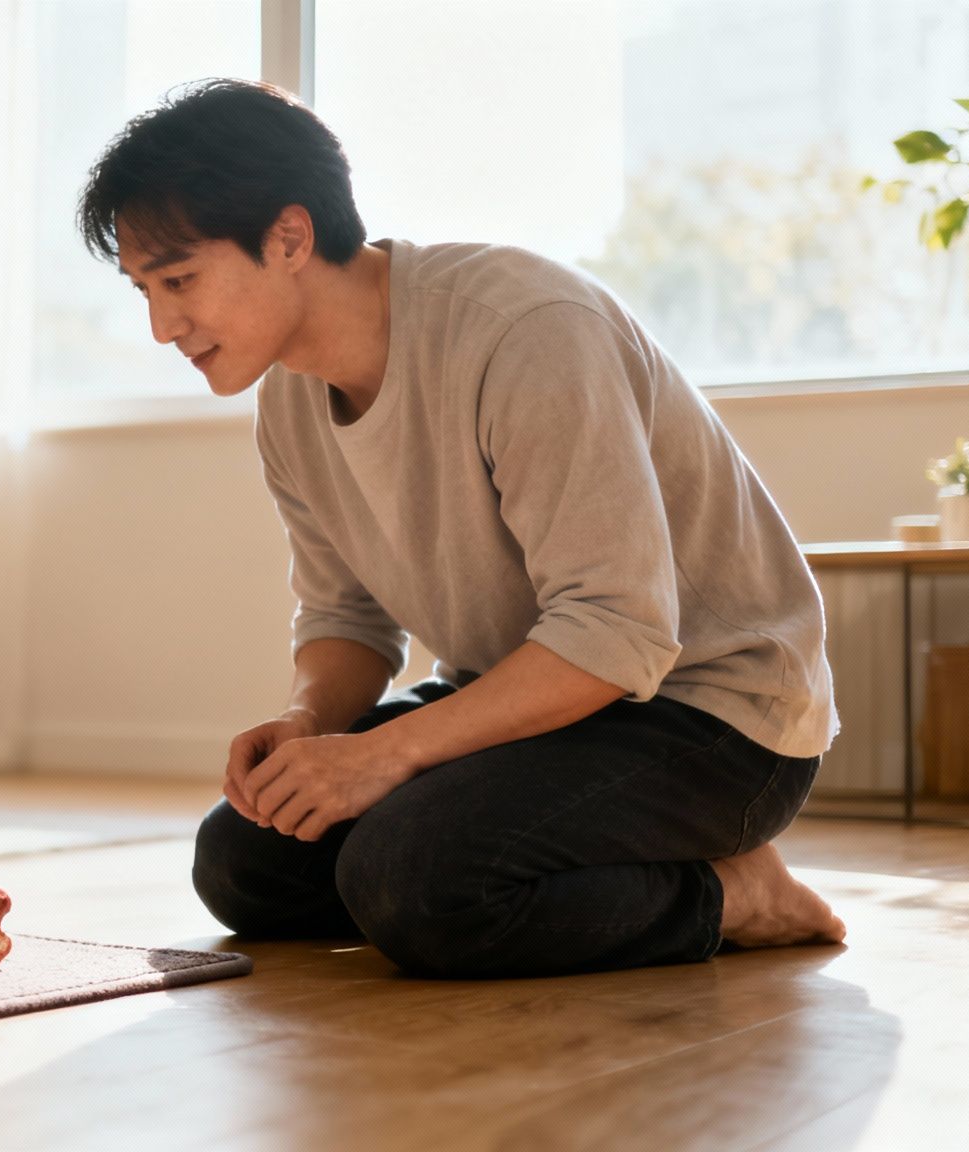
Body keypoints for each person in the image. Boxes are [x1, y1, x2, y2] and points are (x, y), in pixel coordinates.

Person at [75, 79, 846, 978]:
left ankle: (731, 895)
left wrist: (385, 758)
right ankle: (575, 862)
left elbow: (618, 631)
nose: (164, 325)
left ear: (288, 237)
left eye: (179, 281)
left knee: (418, 882)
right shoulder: (287, 399)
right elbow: (349, 621)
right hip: (530, 702)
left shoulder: (526, 331)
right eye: (144, 291)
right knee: (244, 864)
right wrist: (310, 723)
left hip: (710, 716)